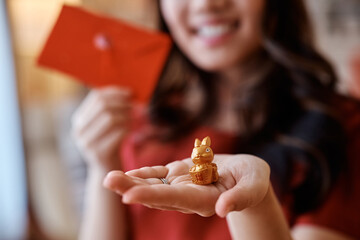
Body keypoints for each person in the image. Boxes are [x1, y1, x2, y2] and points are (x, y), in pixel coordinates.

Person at [71, 0, 360, 239]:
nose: (206, 4)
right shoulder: (135, 122)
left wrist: (253, 204)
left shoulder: (346, 127)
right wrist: (103, 164)